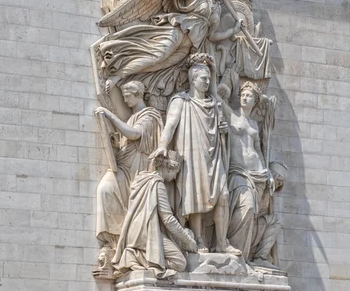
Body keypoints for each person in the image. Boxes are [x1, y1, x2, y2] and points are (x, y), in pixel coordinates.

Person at [98, 0, 242, 95]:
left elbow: (212, 35)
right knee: (157, 56)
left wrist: (233, 31)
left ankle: (129, 75)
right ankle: (118, 75)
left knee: (160, 65)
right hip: (179, 31)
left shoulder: (216, 8)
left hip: (190, 46)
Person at [151, 53, 241, 255]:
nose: (208, 82)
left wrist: (224, 132)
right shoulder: (181, 101)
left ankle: (221, 242)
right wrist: (163, 145)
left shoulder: (215, 104)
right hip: (191, 155)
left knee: (223, 195)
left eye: (209, 78)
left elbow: (222, 128)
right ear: (193, 79)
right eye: (204, 78)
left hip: (214, 154)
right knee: (195, 197)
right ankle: (199, 239)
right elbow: (170, 125)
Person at [94, 81, 163, 271]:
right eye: (123, 96)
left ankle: (125, 246)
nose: (125, 100)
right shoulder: (133, 116)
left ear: (138, 94)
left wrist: (110, 115)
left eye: (127, 96)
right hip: (126, 164)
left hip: (138, 169)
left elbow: (134, 134)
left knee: (107, 190)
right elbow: (127, 138)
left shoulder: (149, 115)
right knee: (105, 189)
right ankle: (115, 243)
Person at [112, 151, 198, 278]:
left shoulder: (143, 178)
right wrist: (188, 240)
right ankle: (147, 261)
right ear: (169, 169)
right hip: (145, 233)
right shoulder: (158, 184)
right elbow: (168, 219)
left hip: (134, 232)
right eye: (176, 173)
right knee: (180, 263)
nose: (175, 178)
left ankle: (135, 255)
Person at [218, 81, 273, 259]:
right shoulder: (232, 115)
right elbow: (216, 97)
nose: (244, 97)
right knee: (246, 207)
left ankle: (242, 255)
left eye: (249, 95)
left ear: (255, 101)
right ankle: (230, 246)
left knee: (252, 215)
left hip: (258, 175)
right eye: (242, 94)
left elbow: (258, 150)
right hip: (238, 171)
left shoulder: (255, 124)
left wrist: (268, 172)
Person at [249, 160, 287, 269]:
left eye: (282, 183)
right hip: (248, 226)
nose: (279, 184)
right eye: (279, 180)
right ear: (273, 176)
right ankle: (259, 257)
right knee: (276, 220)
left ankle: (260, 257)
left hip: (255, 226)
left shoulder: (270, 194)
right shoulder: (261, 186)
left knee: (277, 219)